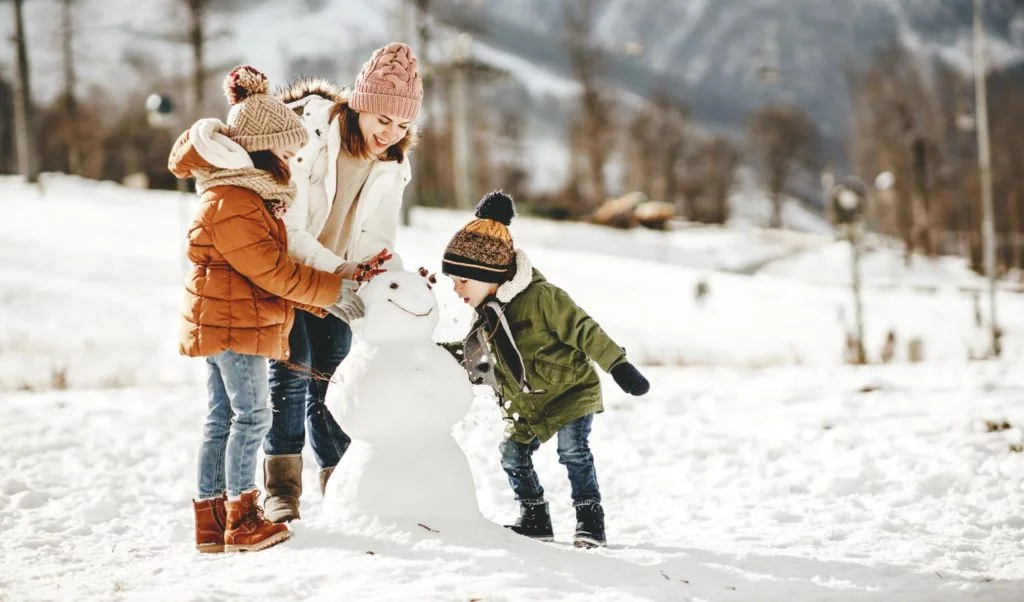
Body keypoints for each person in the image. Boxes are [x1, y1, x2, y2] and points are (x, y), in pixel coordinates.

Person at [168, 65, 365, 553]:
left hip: (228, 321)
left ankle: (212, 526)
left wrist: (318, 297)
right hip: (235, 326)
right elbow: (271, 269)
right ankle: (242, 517)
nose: (292, 160)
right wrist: (330, 291)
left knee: (222, 419)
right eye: (285, 150)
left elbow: (268, 271)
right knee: (252, 416)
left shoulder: (242, 196)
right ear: (261, 149)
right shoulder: (235, 199)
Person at [440, 191, 651, 548]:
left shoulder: (542, 298)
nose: (456, 288)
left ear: (488, 273)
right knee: (512, 454)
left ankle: (589, 521)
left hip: (570, 392)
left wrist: (619, 366)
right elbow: (474, 358)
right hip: (528, 405)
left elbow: (585, 329)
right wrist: (427, 356)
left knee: (573, 452)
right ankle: (535, 518)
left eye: (463, 280)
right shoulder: (487, 314)